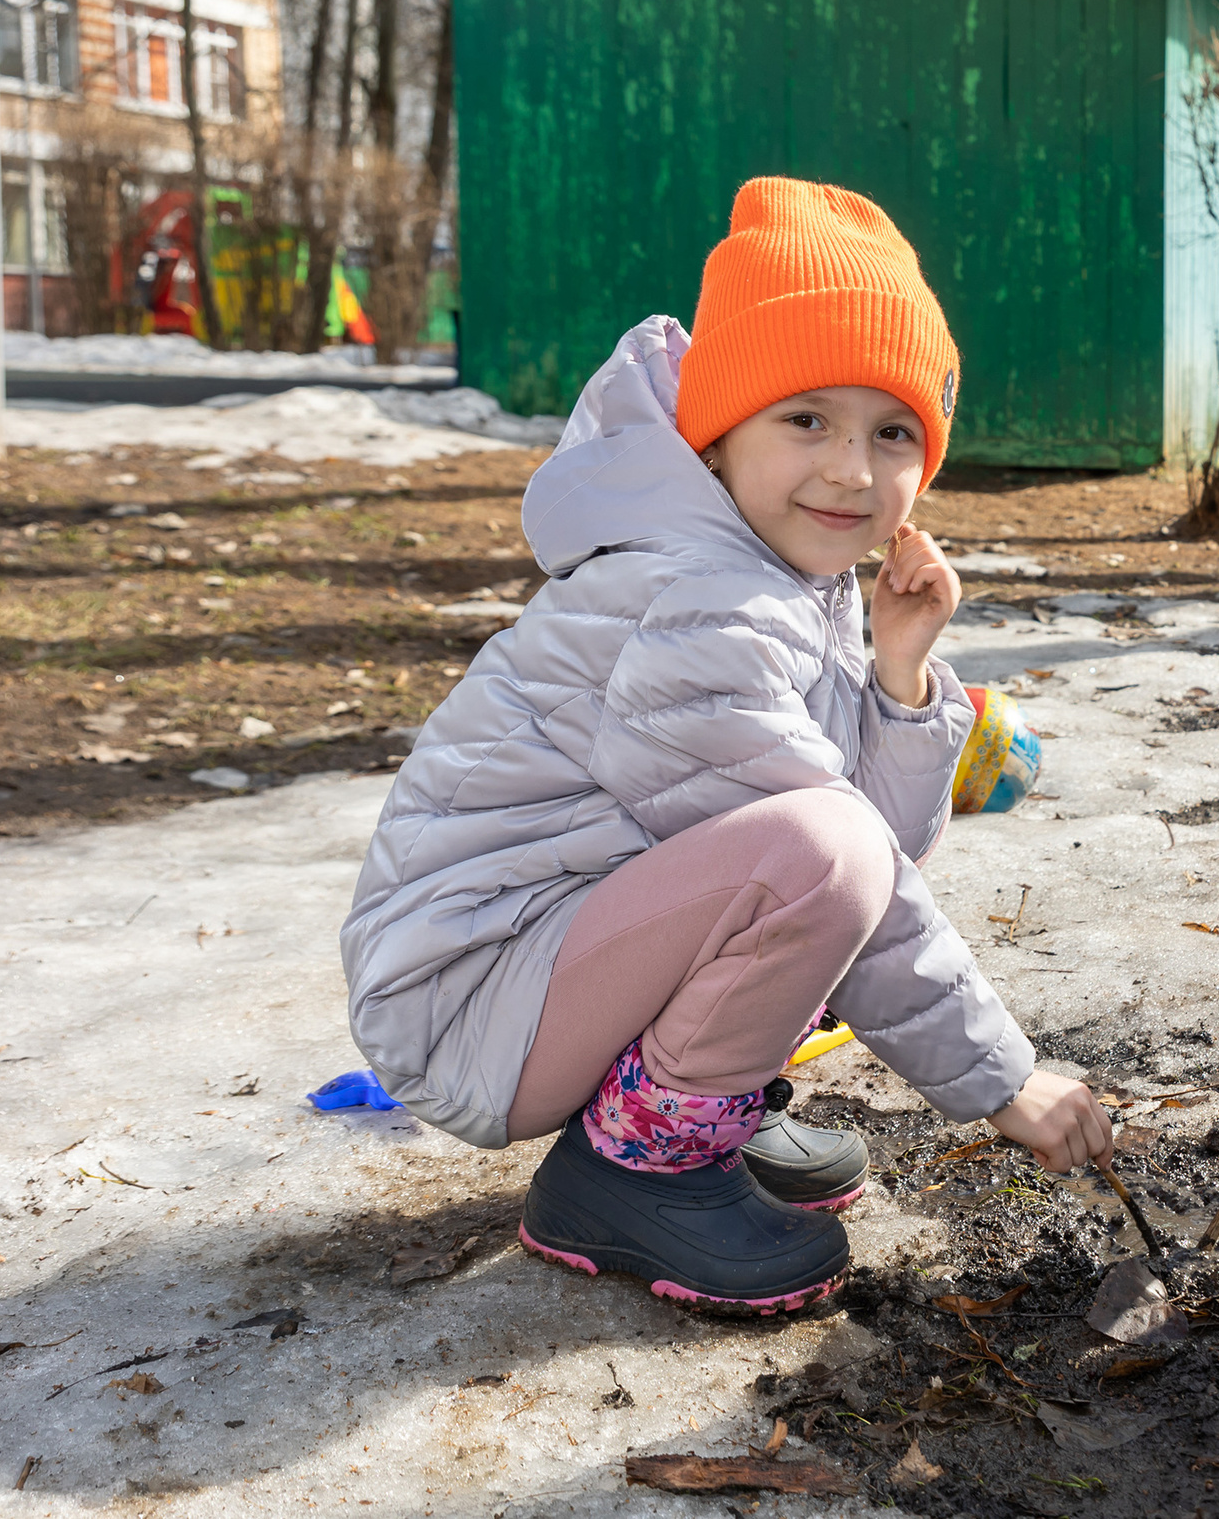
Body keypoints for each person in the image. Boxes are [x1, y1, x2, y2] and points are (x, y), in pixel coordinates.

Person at [340, 180, 1112, 1315]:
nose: (851, 469)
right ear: (719, 432)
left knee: (823, 856)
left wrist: (899, 680)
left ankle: (699, 1103)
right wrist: (1005, 1082)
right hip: (468, 998)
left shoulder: (781, 578)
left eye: (892, 431)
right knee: (814, 855)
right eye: (806, 419)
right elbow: (837, 863)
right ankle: (636, 1167)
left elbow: (869, 863)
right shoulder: (701, 601)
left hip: (545, 963)